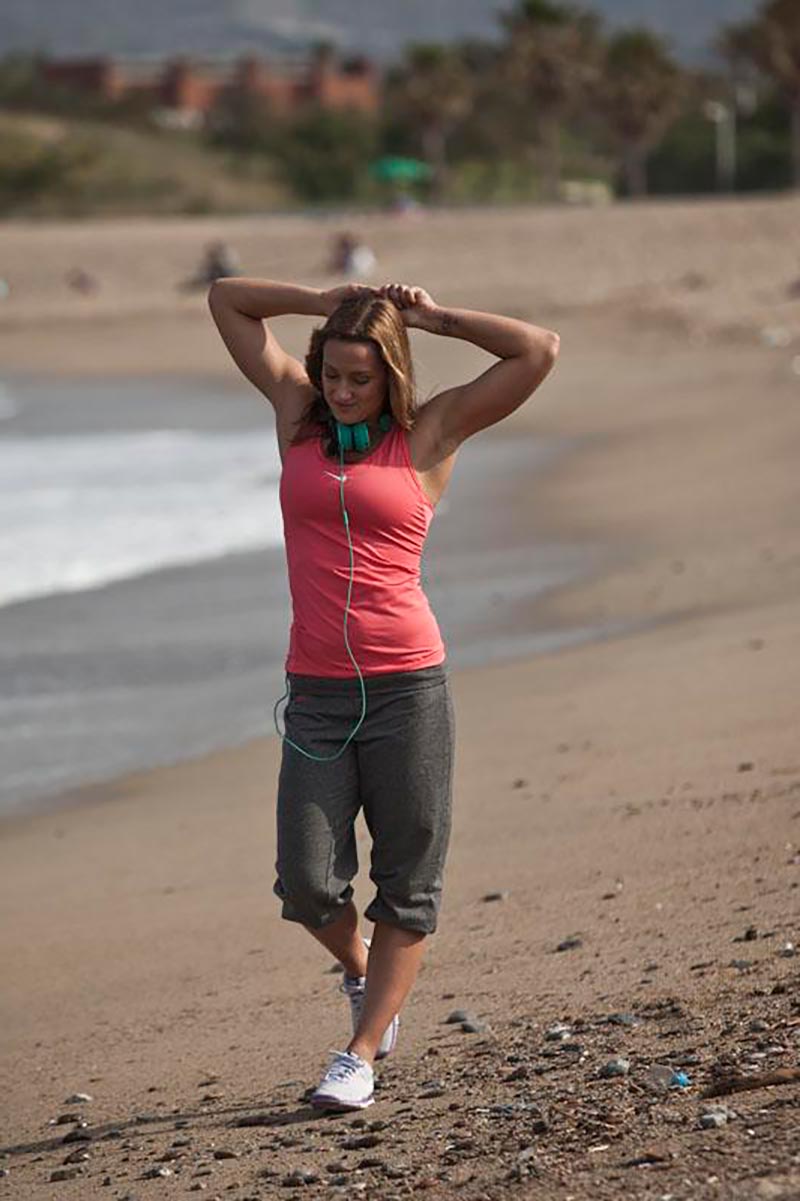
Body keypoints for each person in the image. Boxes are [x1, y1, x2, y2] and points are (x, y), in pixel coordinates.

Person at [207, 276, 560, 1111]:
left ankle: (360, 1051)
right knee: (306, 882)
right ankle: (369, 978)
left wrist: (433, 316)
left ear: (393, 374)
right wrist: (326, 296)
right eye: (331, 373)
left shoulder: (430, 432)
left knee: (408, 878)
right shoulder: (298, 416)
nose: (340, 389)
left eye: (359, 378)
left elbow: (537, 349)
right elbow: (227, 299)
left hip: (409, 689)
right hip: (317, 691)